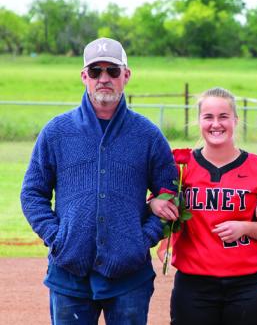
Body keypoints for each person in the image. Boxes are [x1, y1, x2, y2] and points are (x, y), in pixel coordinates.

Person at [20, 37, 177, 324]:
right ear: (84, 77)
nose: (104, 78)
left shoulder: (148, 135)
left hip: (129, 275)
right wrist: (57, 239)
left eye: (112, 71)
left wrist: (142, 240)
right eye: (95, 71)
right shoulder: (57, 132)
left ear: (126, 76)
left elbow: (171, 192)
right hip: (69, 273)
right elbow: (32, 193)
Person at [149, 87, 257, 325]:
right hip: (194, 284)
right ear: (198, 121)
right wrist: (154, 205)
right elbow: (156, 202)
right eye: (208, 117)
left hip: (248, 284)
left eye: (223, 116)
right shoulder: (181, 167)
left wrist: (246, 228)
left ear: (235, 119)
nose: (216, 124)